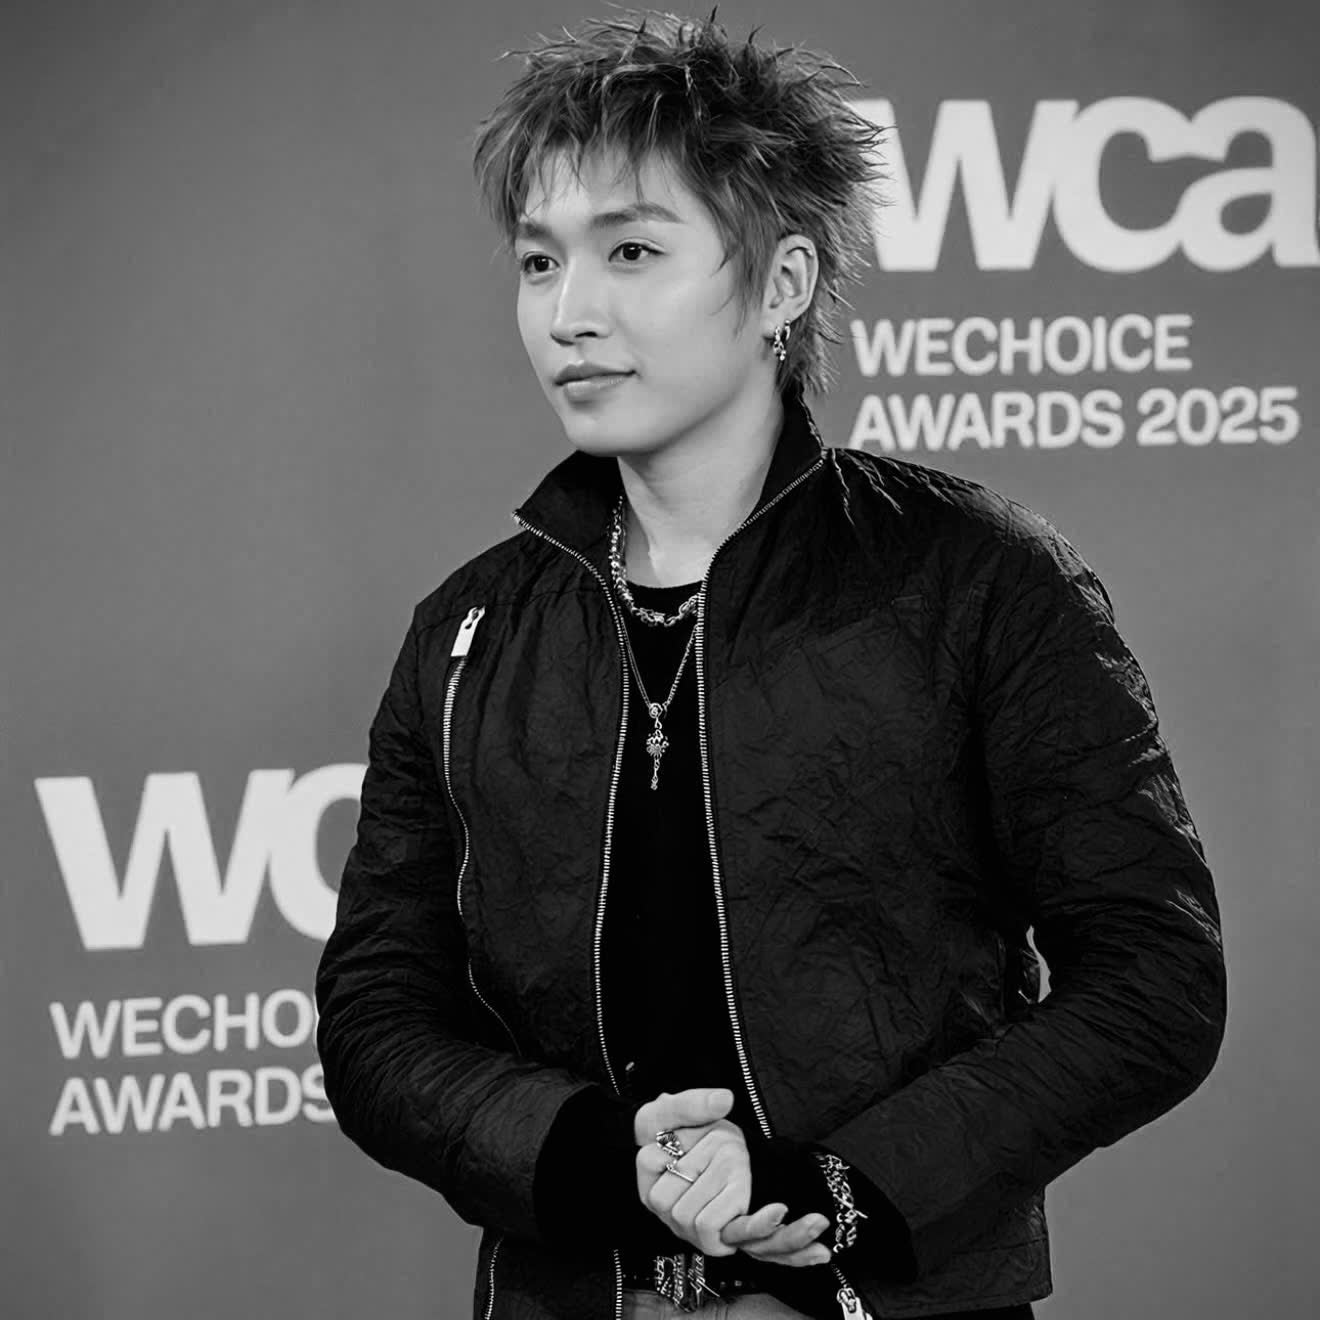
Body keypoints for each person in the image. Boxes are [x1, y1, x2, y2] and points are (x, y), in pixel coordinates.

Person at [314, 11, 1227, 1319]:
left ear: (785, 282)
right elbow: (375, 1016)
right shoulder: (470, 631)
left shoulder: (977, 580)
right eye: (538, 262)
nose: (570, 314)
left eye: (632, 250)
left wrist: (839, 1187)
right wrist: (589, 1158)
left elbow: (1155, 976)